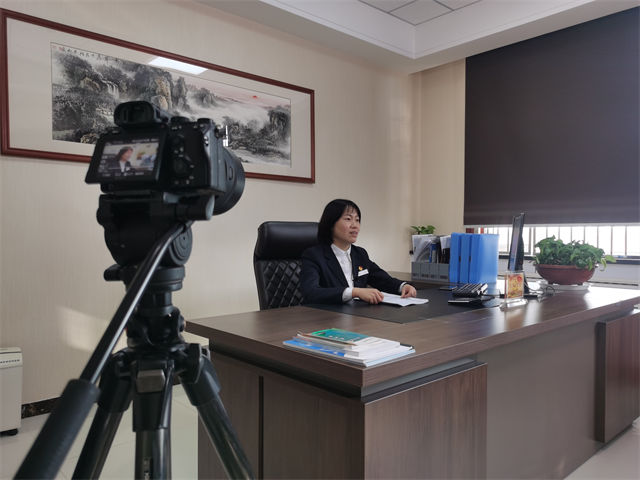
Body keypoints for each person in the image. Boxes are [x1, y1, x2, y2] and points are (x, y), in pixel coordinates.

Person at [300, 199, 417, 305]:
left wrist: (402, 286)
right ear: (331, 224)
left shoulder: (360, 254)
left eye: (357, 220)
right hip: (326, 316)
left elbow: (381, 278)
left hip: (357, 314)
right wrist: (354, 292)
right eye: (348, 219)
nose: (355, 225)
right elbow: (311, 292)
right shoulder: (314, 256)